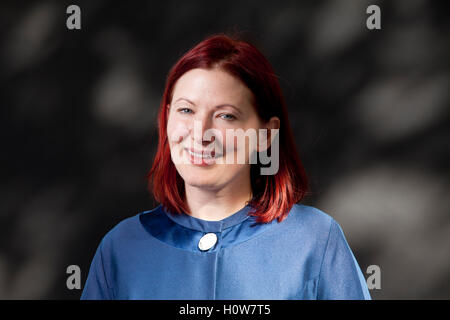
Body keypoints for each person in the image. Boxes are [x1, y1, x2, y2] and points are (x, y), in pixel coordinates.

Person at [80, 33, 371, 300]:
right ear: (166, 120)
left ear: (266, 135)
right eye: (186, 110)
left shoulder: (314, 240)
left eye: (226, 116)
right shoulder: (121, 248)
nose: (201, 132)